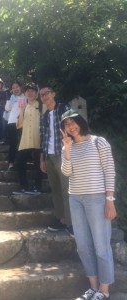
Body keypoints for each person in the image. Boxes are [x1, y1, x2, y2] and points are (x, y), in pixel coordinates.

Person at [60, 109, 117, 300]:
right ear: (64, 129)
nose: (71, 126)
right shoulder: (66, 147)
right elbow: (67, 173)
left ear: (80, 121)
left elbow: (109, 171)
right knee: (83, 245)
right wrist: (67, 148)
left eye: (73, 122)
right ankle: (93, 287)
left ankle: (104, 290)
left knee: (101, 246)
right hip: (75, 198)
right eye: (66, 124)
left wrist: (110, 200)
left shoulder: (98, 142)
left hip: (97, 198)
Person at [39, 86, 72, 235]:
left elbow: (73, 127)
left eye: (47, 93)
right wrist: (42, 159)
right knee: (56, 189)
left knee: (67, 189)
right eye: (42, 95)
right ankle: (62, 220)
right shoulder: (44, 116)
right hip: (49, 156)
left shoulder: (64, 108)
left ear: (54, 94)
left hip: (63, 153)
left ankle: (72, 223)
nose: (44, 96)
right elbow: (43, 138)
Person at [12, 82, 42, 195]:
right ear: (25, 93)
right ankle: (23, 187)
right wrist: (22, 110)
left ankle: (37, 187)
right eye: (28, 91)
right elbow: (19, 125)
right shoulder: (24, 106)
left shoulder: (41, 106)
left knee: (38, 165)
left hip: (37, 140)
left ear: (36, 93)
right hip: (24, 141)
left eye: (32, 91)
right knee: (19, 163)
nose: (30, 93)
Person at [5, 80, 26, 171]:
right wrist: (10, 100)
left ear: (20, 87)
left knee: (22, 143)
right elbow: (7, 109)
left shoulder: (26, 97)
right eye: (13, 88)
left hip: (23, 122)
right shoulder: (11, 97)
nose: (15, 89)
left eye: (17, 87)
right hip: (12, 122)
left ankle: (21, 162)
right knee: (13, 143)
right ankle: (11, 163)